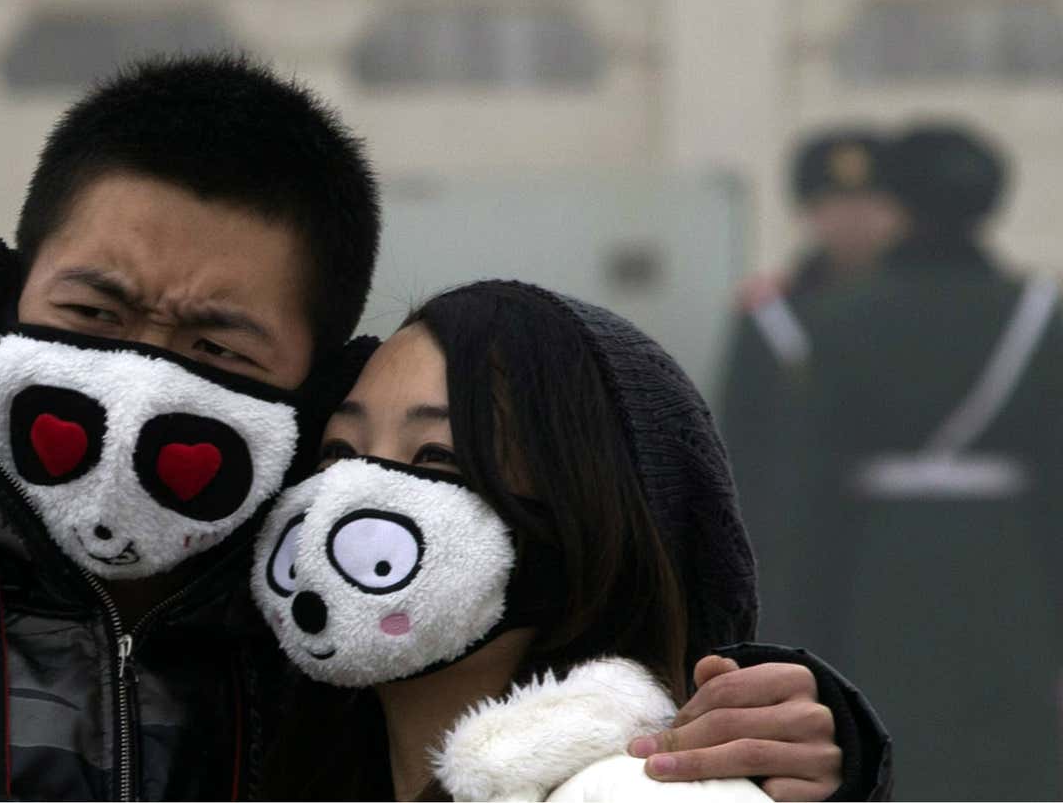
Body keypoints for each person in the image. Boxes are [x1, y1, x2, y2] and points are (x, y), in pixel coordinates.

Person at [0, 54, 884, 800]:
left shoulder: (330, 642)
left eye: (211, 346)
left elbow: (560, 669)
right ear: (11, 298)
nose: (136, 381)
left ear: (303, 389)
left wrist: (803, 746)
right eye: (92, 315)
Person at [252, 281, 876, 802]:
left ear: (586, 517)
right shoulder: (270, 750)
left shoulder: (639, 789)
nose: (345, 498)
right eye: (338, 452)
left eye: (436, 458)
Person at [776, 123, 1063, 801]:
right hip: (1011, 572)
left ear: (897, 203)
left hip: (880, 572)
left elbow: (806, 495)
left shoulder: (831, 317)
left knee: (895, 746)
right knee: (1007, 755)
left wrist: (798, 630)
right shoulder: (1036, 314)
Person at [716, 129, 906, 643]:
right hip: (801, 547)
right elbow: (743, 442)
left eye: (872, 203)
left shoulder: (925, 316)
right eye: (832, 204)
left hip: (902, 543)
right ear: (807, 213)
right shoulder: (772, 316)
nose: (854, 221)